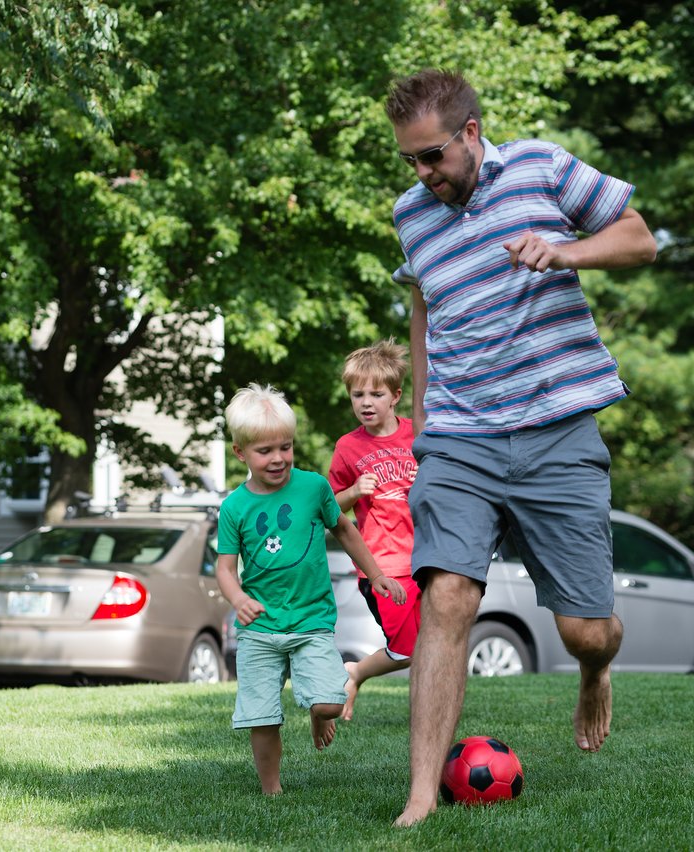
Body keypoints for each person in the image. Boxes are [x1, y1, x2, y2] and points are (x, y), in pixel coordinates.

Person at [383, 68, 658, 827]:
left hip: (557, 430)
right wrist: (424, 423)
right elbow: (423, 310)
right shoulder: (411, 214)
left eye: (433, 156)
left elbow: (640, 240)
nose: (424, 174)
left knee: (586, 629)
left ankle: (595, 673)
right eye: (410, 160)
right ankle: (418, 797)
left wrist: (567, 254)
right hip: (462, 436)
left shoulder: (540, 166)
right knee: (449, 596)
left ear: (471, 134)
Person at [215, 383, 406, 796]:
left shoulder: (314, 487)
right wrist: (238, 598)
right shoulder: (234, 507)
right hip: (260, 629)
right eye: (265, 451)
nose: (279, 458)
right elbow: (225, 568)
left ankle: (318, 712)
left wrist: (375, 574)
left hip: (312, 619)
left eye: (285, 447)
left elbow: (344, 529)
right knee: (262, 717)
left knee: (329, 703)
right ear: (240, 453)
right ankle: (272, 789)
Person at [326, 340, 421, 721]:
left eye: (376, 394)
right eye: (357, 394)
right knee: (407, 649)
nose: (366, 402)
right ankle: (357, 671)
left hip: (426, 560)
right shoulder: (348, 447)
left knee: (434, 645)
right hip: (382, 566)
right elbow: (328, 508)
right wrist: (352, 491)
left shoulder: (419, 433)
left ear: (396, 396)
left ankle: (426, 713)